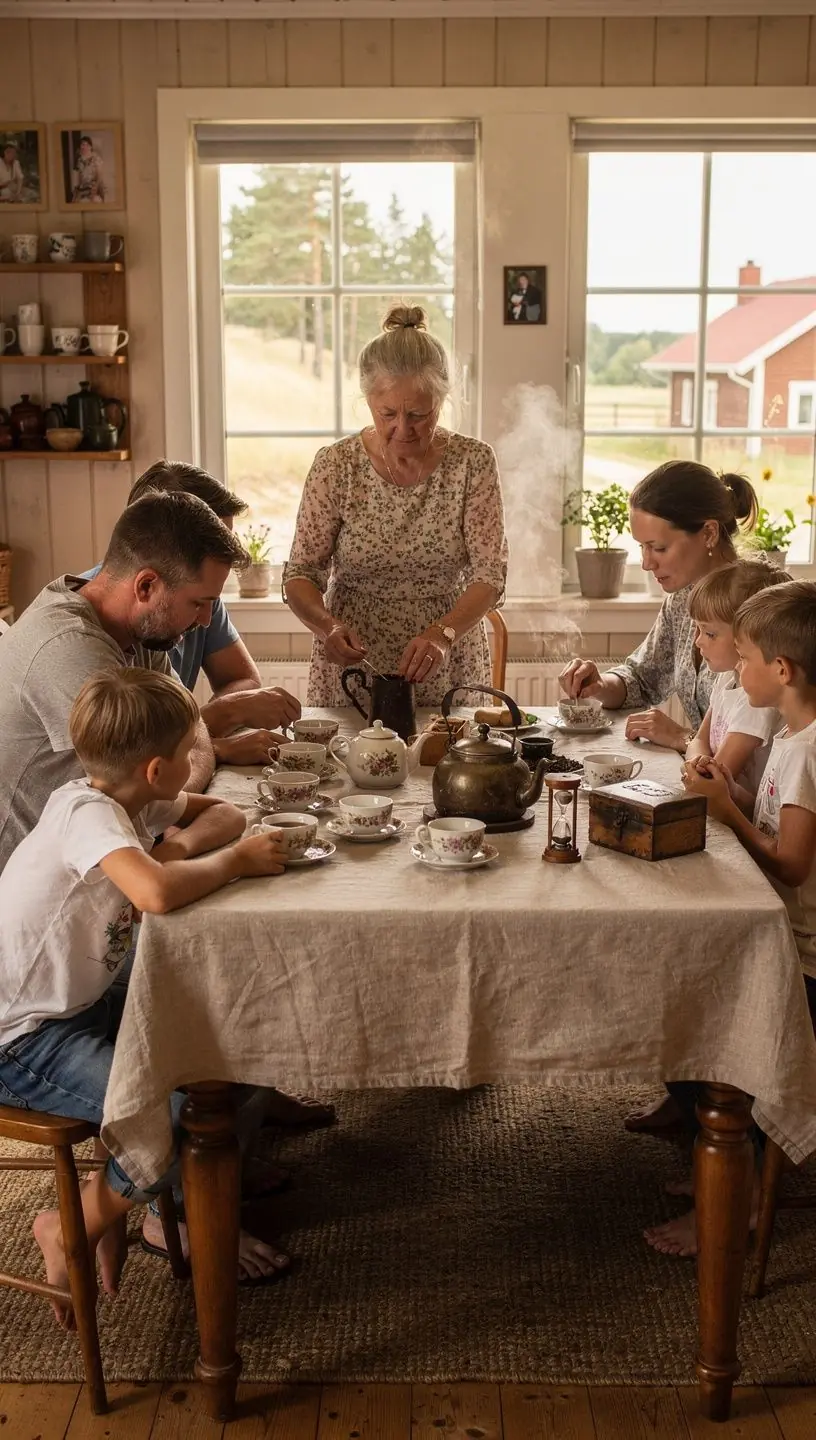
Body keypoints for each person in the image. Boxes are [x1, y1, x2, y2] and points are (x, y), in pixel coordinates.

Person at [0, 667, 292, 1320]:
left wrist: (176, 848)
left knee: (216, 1010)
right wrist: (233, 862)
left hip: (78, 1003)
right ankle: (73, 1223)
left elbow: (226, 811)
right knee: (175, 1118)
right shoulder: (86, 814)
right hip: (19, 1040)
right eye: (194, 752)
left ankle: (113, 1187)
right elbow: (155, 894)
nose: (200, 762)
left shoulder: (126, 799)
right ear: (158, 769)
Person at [644, 581, 816, 1258]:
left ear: (783, 670)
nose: (736, 670)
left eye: (744, 658)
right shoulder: (796, 738)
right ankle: (715, 1156)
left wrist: (727, 814)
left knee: (699, 1017)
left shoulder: (805, 753)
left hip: (803, 956)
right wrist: (732, 796)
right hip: (786, 930)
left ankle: (737, 1189)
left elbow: (791, 866)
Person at [0, 489, 247, 872]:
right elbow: (155, 778)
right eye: (198, 603)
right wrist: (177, 790)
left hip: (101, 861)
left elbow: (188, 730)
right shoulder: (70, 649)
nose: (203, 621)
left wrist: (175, 792)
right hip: (41, 882)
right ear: (146, 586)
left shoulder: (143, 630)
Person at [283, 305, 508, 706]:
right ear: (367, 399)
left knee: (448, 747)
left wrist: (443, 634)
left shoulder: (472, 462)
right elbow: (301, 573)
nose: (402, 429)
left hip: (447, 657)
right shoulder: (336, 466)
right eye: (387, 413)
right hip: (354, 663)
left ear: (442, 399)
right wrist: (326, 627)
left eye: (419, 414)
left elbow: (489, 574)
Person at [81, 460, 302, 765]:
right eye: (206, 543)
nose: (220, 561)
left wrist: (195, 733)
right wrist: (222, 724)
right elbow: (129, 760)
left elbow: (169, 732)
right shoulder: (103, 625)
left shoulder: (200, 595)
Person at [559, 461, 759, 755]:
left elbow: (770, 747)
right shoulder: (681, 600)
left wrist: (683, 737)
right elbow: (641, 679)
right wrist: (599, 685)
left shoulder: (760, 606)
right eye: (641, 547)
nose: (646, 563)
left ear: (708, 533)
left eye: (659, 548)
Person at [684, 559, 790, 794]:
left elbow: (717, 779)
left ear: (748, 635)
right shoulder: (726, 678)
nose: (698, 641)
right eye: (698, 629)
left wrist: (699, 769)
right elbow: (698, 741)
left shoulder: (758, 699)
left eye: (710, 633)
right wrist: (698, 763)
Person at [71, 134, 105, 204]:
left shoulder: (96, 159)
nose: (84, 147)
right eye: (82, 145)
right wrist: (76, 190)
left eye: (86, 145)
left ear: (90, 147)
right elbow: (80, 177)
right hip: (82, 189)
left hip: (94, 189)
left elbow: (100, 176)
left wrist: (95, 188)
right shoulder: (79, 160)